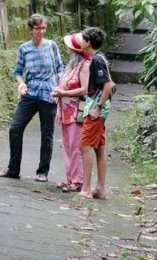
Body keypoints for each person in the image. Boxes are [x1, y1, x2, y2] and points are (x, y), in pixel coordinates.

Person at [0, 12, 63, 182]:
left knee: (47, 134)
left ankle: (42, 172)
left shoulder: (52, 46)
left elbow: (60, 69)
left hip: (49, 94)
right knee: (15, 128)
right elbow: (18, 72)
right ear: (30, 29)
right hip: (30, 93)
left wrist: (60, 87)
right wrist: (21, 83)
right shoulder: (24, 48)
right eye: (37, 29)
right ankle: (13, 170)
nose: (41, 32)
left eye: (43, 28)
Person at [77, 26, 116, 201]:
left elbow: (108, 85)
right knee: (99, 148)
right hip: (97, 108)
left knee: (85, 146)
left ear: (88, 42)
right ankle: (100, 188)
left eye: (83, 38)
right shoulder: (100, 59)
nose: (80, 41)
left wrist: (98, 108)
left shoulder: (98, 60)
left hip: (95, 109)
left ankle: (86, 189)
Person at [51, 31, 90, 193]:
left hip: (76, 112)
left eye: (69, 47)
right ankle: (71, 178)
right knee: (67, 146)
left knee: (75, 147)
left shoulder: (85, 65)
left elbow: (85, 89)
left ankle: (78, 180)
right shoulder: (71, 65)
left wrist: (63, 94)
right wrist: (59, 91)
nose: (67, 49)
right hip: (66, 111)